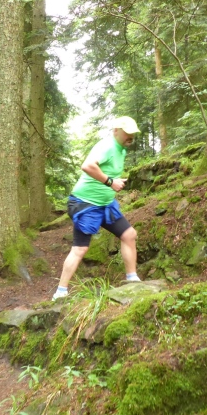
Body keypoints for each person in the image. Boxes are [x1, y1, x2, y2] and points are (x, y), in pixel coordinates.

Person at [52, 116, 141, 301]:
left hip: (105, 205)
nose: (130, 136)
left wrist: (114, 181)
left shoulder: (121, 149)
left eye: (132, 133)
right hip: (85, 204)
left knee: (129, 235)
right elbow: (87, 166)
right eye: (127, 132)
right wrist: (110, 182)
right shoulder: (107, 145)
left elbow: (107, 171)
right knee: (80, 249)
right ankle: (60, 292)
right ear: (116, 131)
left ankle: (132, 280)